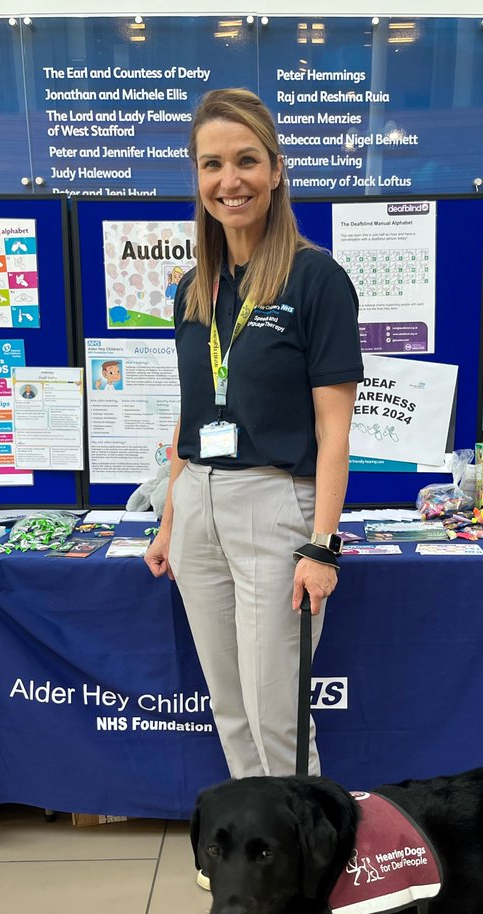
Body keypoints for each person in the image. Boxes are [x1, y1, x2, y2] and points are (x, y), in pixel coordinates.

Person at [144, 89, 362, 872]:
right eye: (212, 164)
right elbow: (189, 413)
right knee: (231, 710)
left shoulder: (316, 280)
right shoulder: (191, 290)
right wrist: (169, 520)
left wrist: (322, 543)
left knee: (278, 716)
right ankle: (261, 866)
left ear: (275, 170)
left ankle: (314, 874)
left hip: (276, 505)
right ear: (196, 177)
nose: (228, 179)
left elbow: (336, 432)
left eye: (245, 161)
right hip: (198, 502)